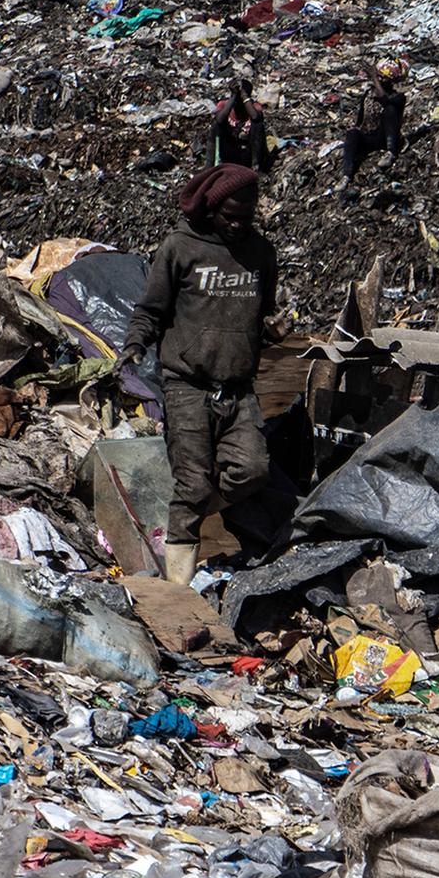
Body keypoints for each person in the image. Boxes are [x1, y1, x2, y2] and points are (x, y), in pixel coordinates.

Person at [122, 164, 279, 585]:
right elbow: (151, 309)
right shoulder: (180, 248)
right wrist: (135, 345)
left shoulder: (261, 253)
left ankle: (181, 514)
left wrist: (270, 330)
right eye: (229, 216)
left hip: (238, 389)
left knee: (252, 469)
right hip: (187, 385)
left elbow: (262, 312)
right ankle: (178, 592)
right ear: (212, 210)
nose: (237, 224)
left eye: (245, 217)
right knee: (192, 481)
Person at [342, 58, 408, 185]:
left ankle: (391, 153)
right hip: (368, 137)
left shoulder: (398, 98)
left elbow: (385, 100)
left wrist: (374, 78)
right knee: (352, 133)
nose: (380, 80)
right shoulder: (368, 94)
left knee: (389, 110)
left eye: (382, 78)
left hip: (383, 138)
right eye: (379, 77)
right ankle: (346, 176)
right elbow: (359, 120)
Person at [204, 77, 275, 173]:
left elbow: (255, 117)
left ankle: (257, 167)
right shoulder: (224, 105)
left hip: (248, 153)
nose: (238, 104)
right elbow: (219, 120)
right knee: (216, 126)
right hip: (230, 151)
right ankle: (209, 167)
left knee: (258, 125)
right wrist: (233, 96)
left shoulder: (254, 107)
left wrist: (244, 96)